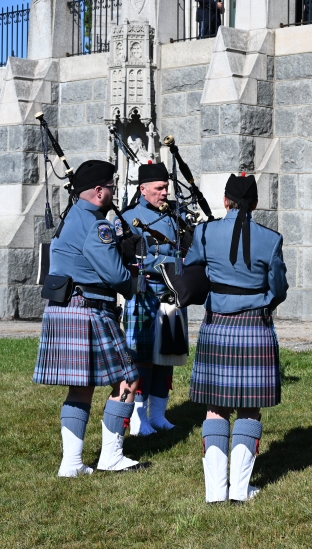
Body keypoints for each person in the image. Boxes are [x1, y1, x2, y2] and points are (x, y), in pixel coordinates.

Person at [33, 160, 147, 477]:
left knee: (80, 387)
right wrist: (134, 280)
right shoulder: (98, 225)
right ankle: (111, 457)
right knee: (128, 378)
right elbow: (114, 275)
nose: (113, 190)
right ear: (98, 191)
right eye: (110, 186)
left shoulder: (73, 217)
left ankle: (71, 465)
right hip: (89, 308)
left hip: (64, 306)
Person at [184, 174, 289, 503]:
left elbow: (191, 274)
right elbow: (279, 289)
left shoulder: (204, 232)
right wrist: (263, 302)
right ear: (255, 204)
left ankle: (216, 493)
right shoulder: (271, 239)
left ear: (226, 201)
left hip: (216, 326)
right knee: (249, 409)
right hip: (255, 326)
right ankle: (240, 491)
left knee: (215, 408)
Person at [120, 163, 190, 436]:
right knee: (144, 359)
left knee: (167, 356)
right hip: (145, 291)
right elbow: (132, 258)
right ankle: (139, 418)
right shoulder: (128, 218)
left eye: (166, 188)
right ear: (143, 189)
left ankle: (158, 415)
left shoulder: (174, 216)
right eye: (159, 188)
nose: (164, 193)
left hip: (171, 293)